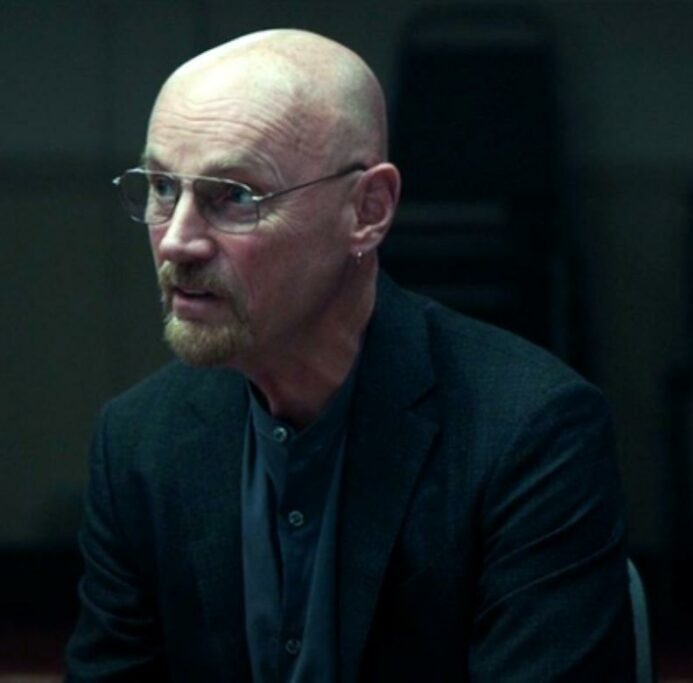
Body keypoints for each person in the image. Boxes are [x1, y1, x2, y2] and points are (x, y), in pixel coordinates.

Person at [65, 29, 633, 682]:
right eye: (164, 188)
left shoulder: (530, 432)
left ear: (368, 210)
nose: (177, 242)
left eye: (236, 195)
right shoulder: (139, 440)